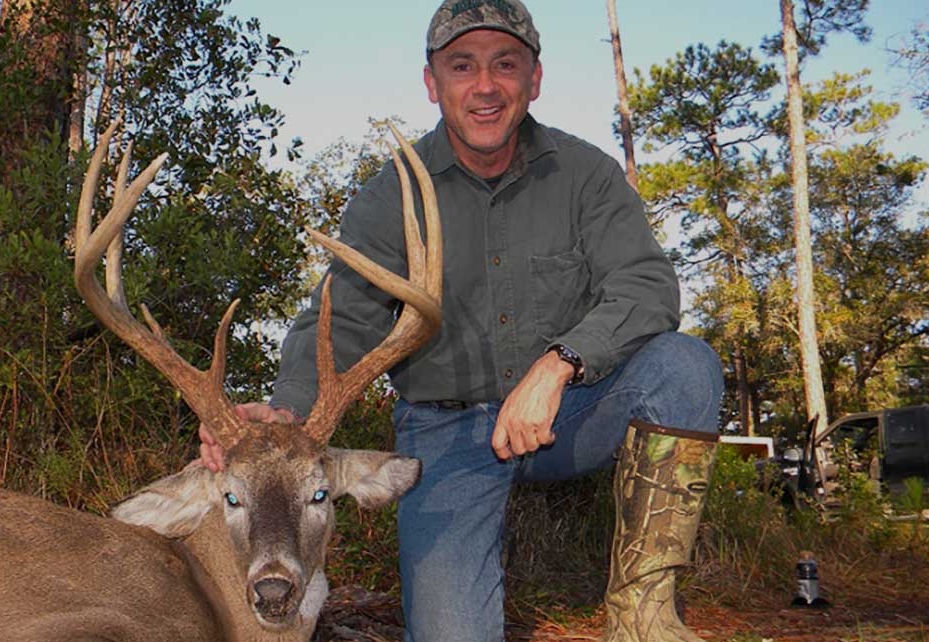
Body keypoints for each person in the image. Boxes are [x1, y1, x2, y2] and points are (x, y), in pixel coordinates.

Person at [201, 1, 723, 641]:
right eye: (461, 65)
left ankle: (643, 616)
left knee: (684, 366)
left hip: (568, 413)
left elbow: (647, 286)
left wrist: (560, 365)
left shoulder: (586, 175)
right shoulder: (389, 195)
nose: (484, 86)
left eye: (505, 65)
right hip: (444, 436)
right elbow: (340, 320)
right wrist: (286, 419)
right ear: (432, 82)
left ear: (534, 79)